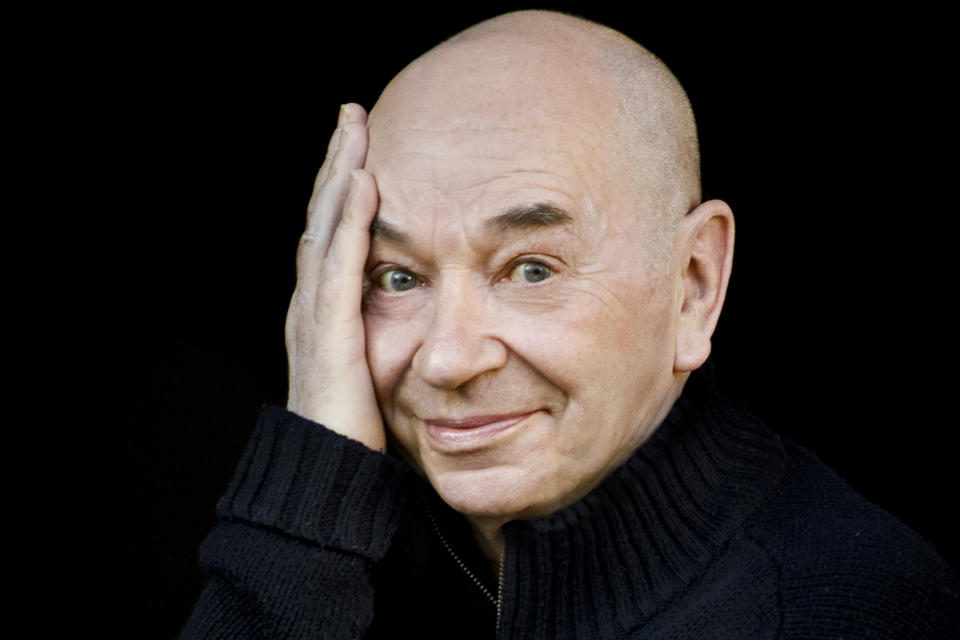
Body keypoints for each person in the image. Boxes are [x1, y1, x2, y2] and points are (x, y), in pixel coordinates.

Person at [180, 10, 959, 639]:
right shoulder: (330, 562)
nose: (449, 358)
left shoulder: (846, 608)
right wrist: (309, 504)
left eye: (531, 269)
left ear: (694, 284)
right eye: (398, 278)